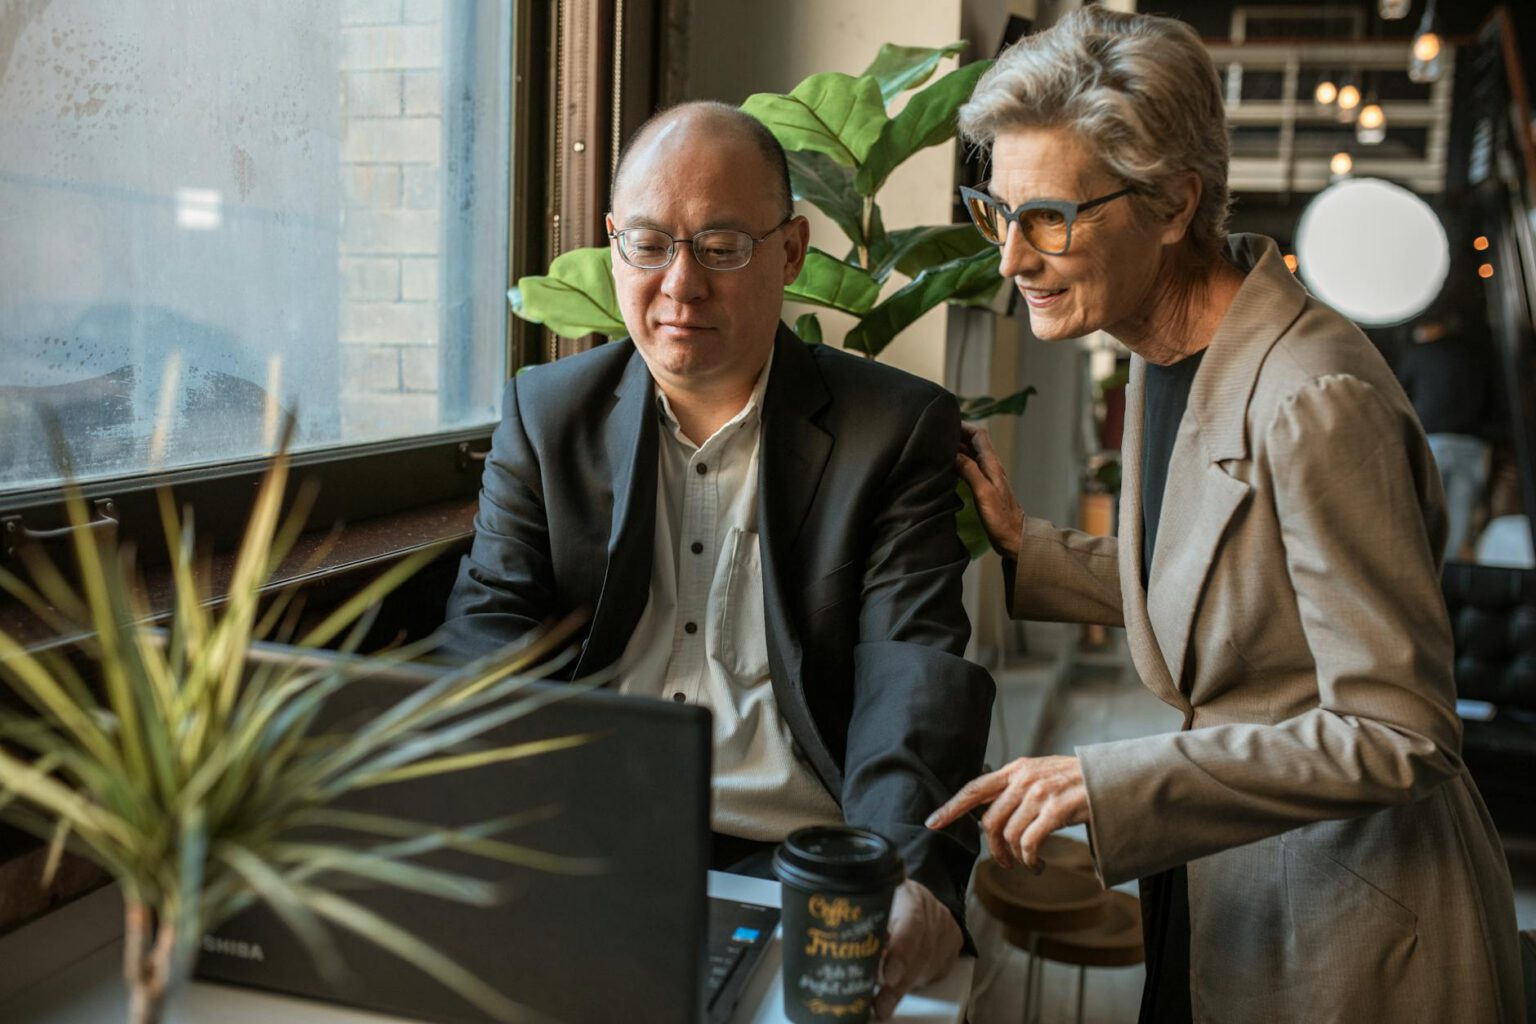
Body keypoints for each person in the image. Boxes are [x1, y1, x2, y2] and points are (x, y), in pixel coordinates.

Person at [924, 9, 1524, 1022]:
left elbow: (1400, 729)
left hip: (1348, 918)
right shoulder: (1171, 351)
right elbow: (1228, 583)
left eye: (1051, 218)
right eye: (999, 213)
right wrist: (1029, 545)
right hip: (1226, 876)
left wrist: (1113, 782)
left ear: (1173, 205)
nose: (1012, 260)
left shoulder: (1314, 400)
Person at [439, 101, 994, 1018]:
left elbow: (913, 671)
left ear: (791, 251)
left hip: (796, 869)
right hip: (584, 852)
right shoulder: (547, 417)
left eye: (723, 246)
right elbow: (485, 641)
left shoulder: (890, 432)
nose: (680, 284)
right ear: (614, 244)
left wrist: (905, 875)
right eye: (649, 244)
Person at [1395, 315, 1501, 561]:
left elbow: (1399, 397)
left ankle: (1423, 569)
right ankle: (1449, 569)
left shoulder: (1417, 355)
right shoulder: (1476, 355)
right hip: (1472, 442)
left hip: (1432, 440)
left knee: (1423, 510)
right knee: (1459, 513)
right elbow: (1495, 400)